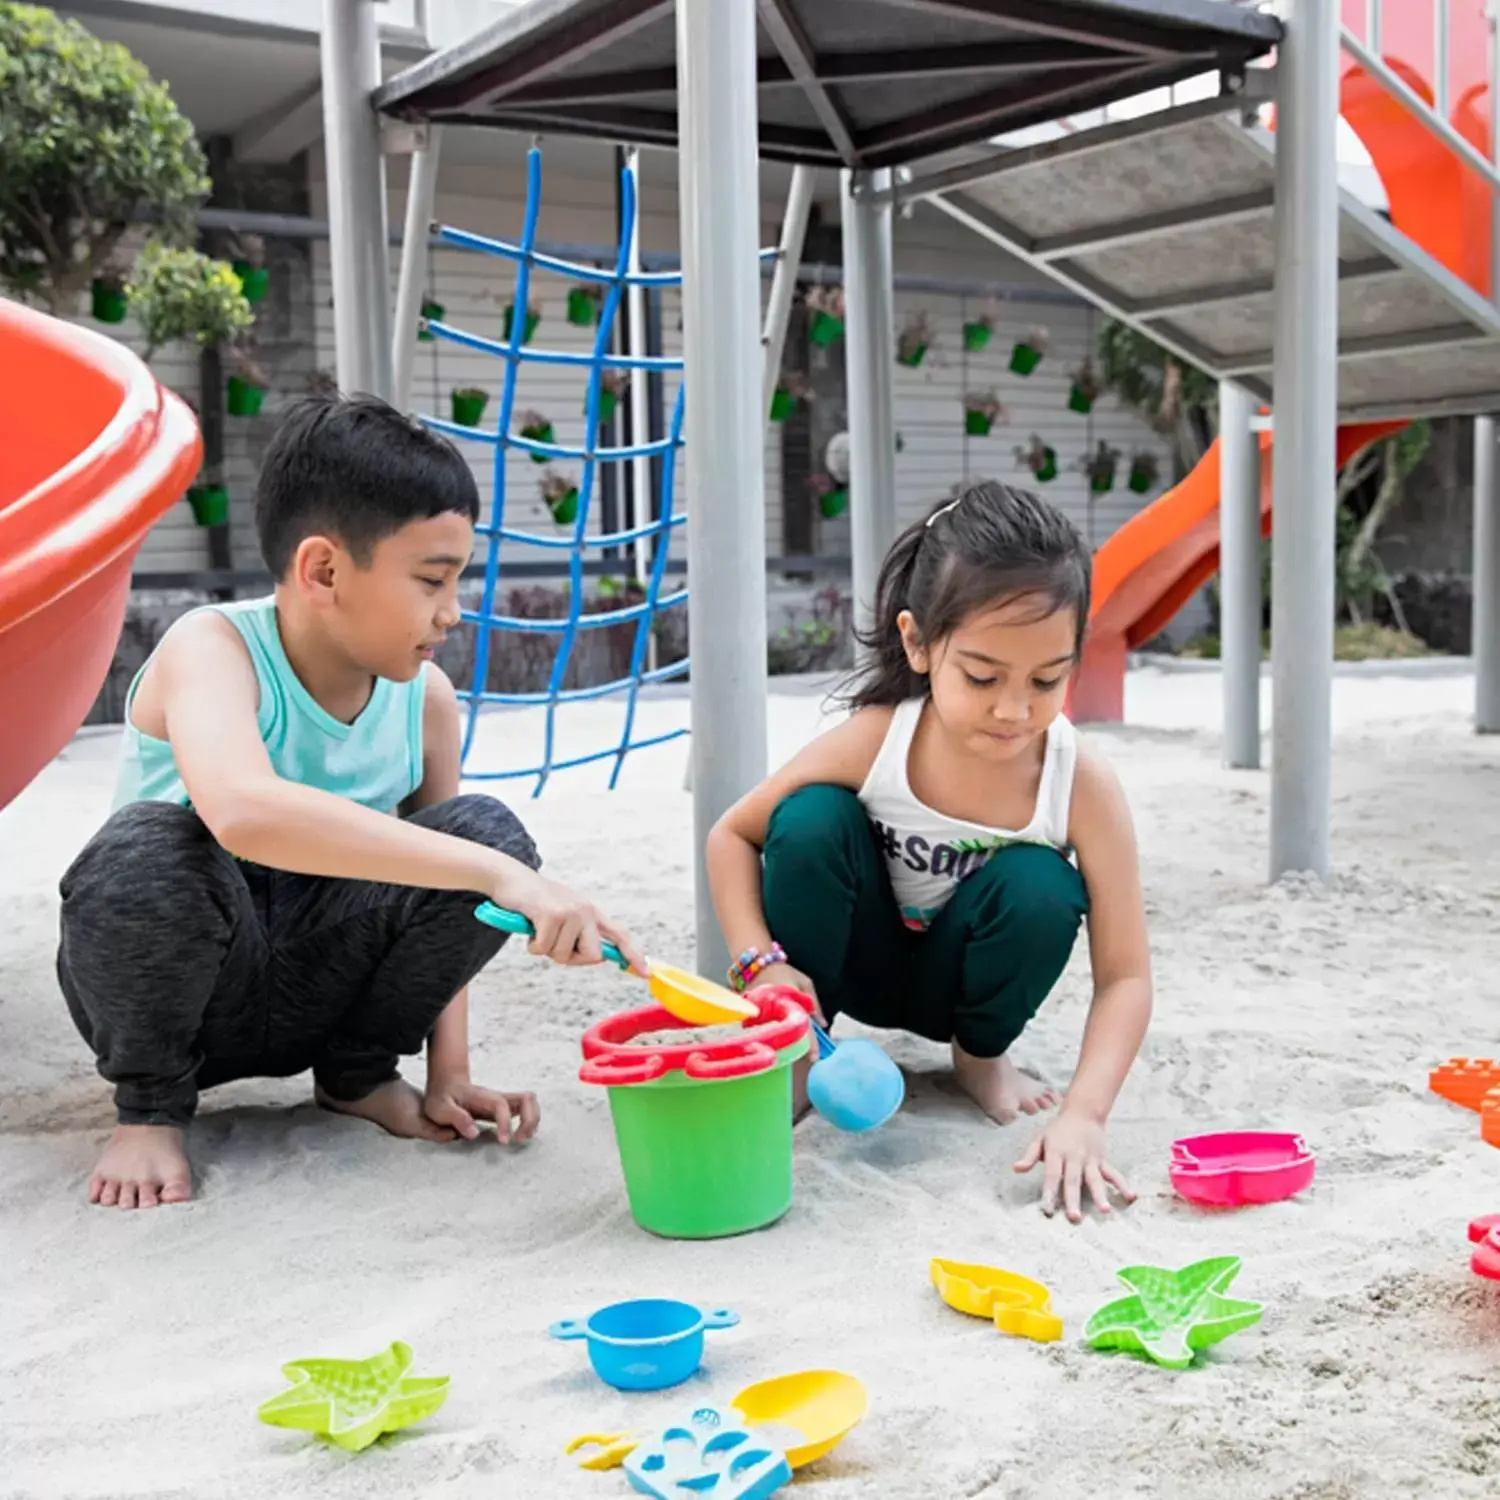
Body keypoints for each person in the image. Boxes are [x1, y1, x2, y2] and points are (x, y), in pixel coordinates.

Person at [58, 393, 643, 1210]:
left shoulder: (427, 700)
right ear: (324, 571)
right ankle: (152, 1107)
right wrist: (498, 876)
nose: (453, 609)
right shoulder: (212, 647)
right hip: (189, 986)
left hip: (316, 980)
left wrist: (452, 1073)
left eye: (458, 578)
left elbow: (460, 893)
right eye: (432, 580)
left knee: (486, 835)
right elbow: (244, 813)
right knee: (147, 846)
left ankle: (358, 1077)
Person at [706, 480, 1152, 1223]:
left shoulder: (1079, 782)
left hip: (963, 984)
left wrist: (1085, 1113)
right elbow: (733, 834)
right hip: (851, 968)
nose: (1015, 710)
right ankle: (799, 1054)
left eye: (1047, 680)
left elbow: (1127, 976)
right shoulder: (880, 739)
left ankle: (978, 1059)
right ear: (917, 642)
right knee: (811, 819)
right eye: (982, 676)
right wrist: (763, 965)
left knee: (1042, 885)